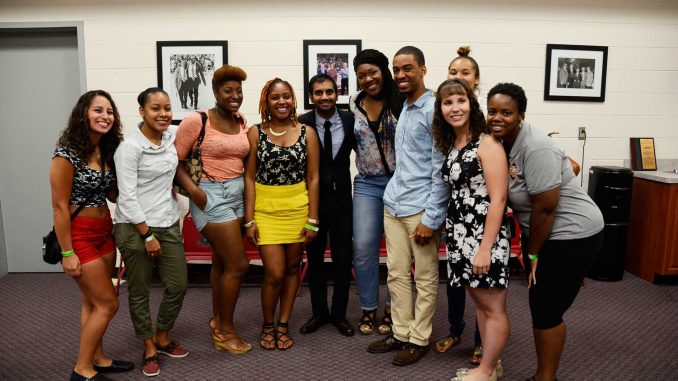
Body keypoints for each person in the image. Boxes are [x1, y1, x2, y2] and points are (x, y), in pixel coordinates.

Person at [487, 83, 604, 381]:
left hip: (570, 233)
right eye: (492, 111)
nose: (497, 117)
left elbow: (545, 209)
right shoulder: (504, 142)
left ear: (521, 115)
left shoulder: (535, 146)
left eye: (506, 112)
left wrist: (534, 252)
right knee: (545, 299)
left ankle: (545, 377)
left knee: (545, 309)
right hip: (551, 235)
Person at [367, 46, 447, 366]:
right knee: (397, 275)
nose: (400, 75)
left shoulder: (433, 109)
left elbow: (440, 168)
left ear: (423, 70)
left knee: (425, 277)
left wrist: (432, 216)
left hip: (420, 209)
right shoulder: (405, 107)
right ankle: (400, 332)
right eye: (396, 69)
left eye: (408, 69)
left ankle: (419, 338)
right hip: (394, 204)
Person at [50, 90, 133, 381]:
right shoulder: (66, 154)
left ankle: (97, 358)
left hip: (104, 232)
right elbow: (60, 208)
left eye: (109, 111)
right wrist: (68, 252)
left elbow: (111, 193)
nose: (105, 116)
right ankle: (81, 369)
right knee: (109, 303)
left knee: (92, 303)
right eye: (98, 110)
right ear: (84, 114)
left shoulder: (106, 151)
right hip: (80, 236)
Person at [433, 79, 511, 381]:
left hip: (482, 235)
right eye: (447, 102)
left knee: (493, 307)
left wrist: (485, 248)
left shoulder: (486, 142)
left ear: (471, 103)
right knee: (480, 303)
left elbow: (499, 198)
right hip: (460, 235)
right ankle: (490, 365)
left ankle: (487, 369)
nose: (455, 108)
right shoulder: (455, 143)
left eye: (460, 101)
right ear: (440, 109)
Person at [174, 65, 252, 354]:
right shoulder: (197, 120)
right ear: (216, 92)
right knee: (239, 264)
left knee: (221, 263)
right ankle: (225, 332)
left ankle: (218, 320)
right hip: (210, 195)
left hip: (237, 195)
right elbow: (176, 161)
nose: (235, 96)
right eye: (228, 91)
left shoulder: (240, 120)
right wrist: (195, 192)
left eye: (239, 91)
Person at [113, 88, 188, 377]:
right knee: (140, 290)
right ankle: (149, 347)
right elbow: (127, 197)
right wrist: (146, 235)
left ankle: (162, 335)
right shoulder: (129, 148)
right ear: (142, 111)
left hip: (167, 222)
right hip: (134, 227)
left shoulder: (170, 137)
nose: (163, 114)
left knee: (178, 285)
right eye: (156, 108)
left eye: (167, 108)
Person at [244, 78, 320, 351]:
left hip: (297, 209)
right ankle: (267, 324)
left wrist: (313, 220)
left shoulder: (307, 132)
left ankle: (283, 324)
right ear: (266, 101)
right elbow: (249, 178)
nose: (282, 101)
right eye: (275, 97)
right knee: (274, 272)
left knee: (291, 269)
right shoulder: (256, 132)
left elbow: (313, 178)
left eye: (286, 96)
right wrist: (249, 219)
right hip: (265, 210)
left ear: (293, 99)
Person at [434, 46, 485, 365]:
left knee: (483, 287)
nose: (459, 78)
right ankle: (456, 330)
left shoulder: (488, 125)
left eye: (465, 72)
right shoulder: (450, 131)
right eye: (453, 72)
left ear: (476, 80)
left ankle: (483, 341)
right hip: (456, 220)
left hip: (481, 220)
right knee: (455, 281)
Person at [350, 49, 403, 337]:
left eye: (372, 72)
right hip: (368, 184)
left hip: (400, 183)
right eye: (361, 75)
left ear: (383, 70)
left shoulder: (402, 101)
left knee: (397, 251)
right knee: (363, 248)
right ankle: (369, 307)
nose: (368, 79)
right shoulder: (354, 102)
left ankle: (393, 307)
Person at [298, 74, 356, 337]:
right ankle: (319, 312)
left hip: (343, 201)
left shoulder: (350, 119)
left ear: (337, 94)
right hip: (312, 204)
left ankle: (340, 314)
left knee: (344, 260)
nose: (324, 97)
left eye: (329, 92)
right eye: (318, 93)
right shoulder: (301, 123)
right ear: (311, 96)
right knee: (315, 261)